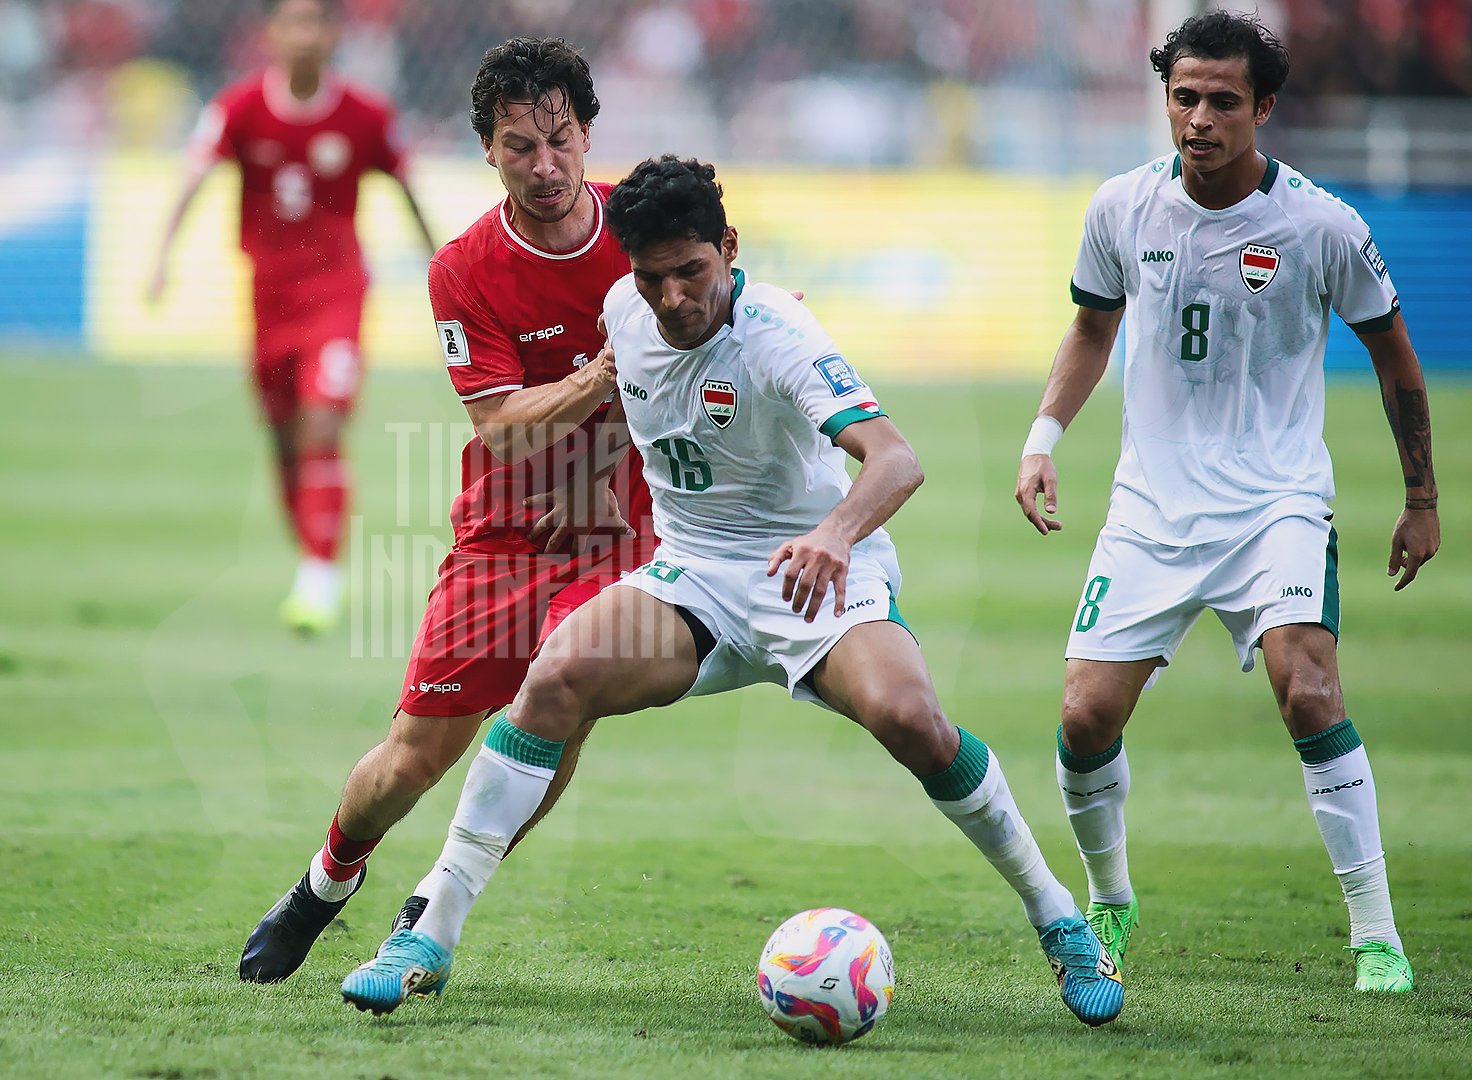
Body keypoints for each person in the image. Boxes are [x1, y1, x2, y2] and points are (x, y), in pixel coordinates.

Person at [341, 156, 1125, 1028]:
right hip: (697, 575)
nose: (673, 298)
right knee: (555, 679)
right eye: (653, 277)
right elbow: (633, 399)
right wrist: (593, 482)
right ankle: (429, 934)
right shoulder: (624, 311)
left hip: (815, 572)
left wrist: (834, 534)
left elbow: (896, 459)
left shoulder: (779, 334)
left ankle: (1060, 919)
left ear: (730, 248)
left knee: (911, 720)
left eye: (692, 272)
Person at [1013, 11, 1438, 994]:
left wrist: (1420, 496)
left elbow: (1395, 356)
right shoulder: (1122, 207)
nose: (1199, 119)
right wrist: (1042, 440)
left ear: (1264, 107)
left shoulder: (1322, 226)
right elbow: (1091, 328)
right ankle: (1110, 900)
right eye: (1184, 98)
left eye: (1222, 101)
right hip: (1151, 509)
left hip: (1275, 502)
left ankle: (1376, 935)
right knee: (1083, 718)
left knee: (1309, 690)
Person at [237, 37, 657, 984]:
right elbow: (500, 427)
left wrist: (610, 462)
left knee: (564, 696)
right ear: (488, 151)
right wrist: (600, 380)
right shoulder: (464, 268)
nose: (544, 165)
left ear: (588, 134)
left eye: (559, 139)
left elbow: (706, 339)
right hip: (505, 529)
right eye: (520, 146)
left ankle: (437, 900)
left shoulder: (644, 230)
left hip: (617, 530)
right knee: (413, 758)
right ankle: (325, 881)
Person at [148, 0, 436, 633]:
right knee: (283, 439)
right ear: (271, 33)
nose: (304, 35)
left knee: (322, 425)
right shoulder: (238, 108)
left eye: (316, 23)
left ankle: (319, 577)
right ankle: (312, 556)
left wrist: (440, 267)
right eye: (293, 22)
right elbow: (194, 176)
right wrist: (163, 257)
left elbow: (406, 187)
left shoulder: (365, 115)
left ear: (334, 35)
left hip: (337, 295)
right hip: (268, 299)